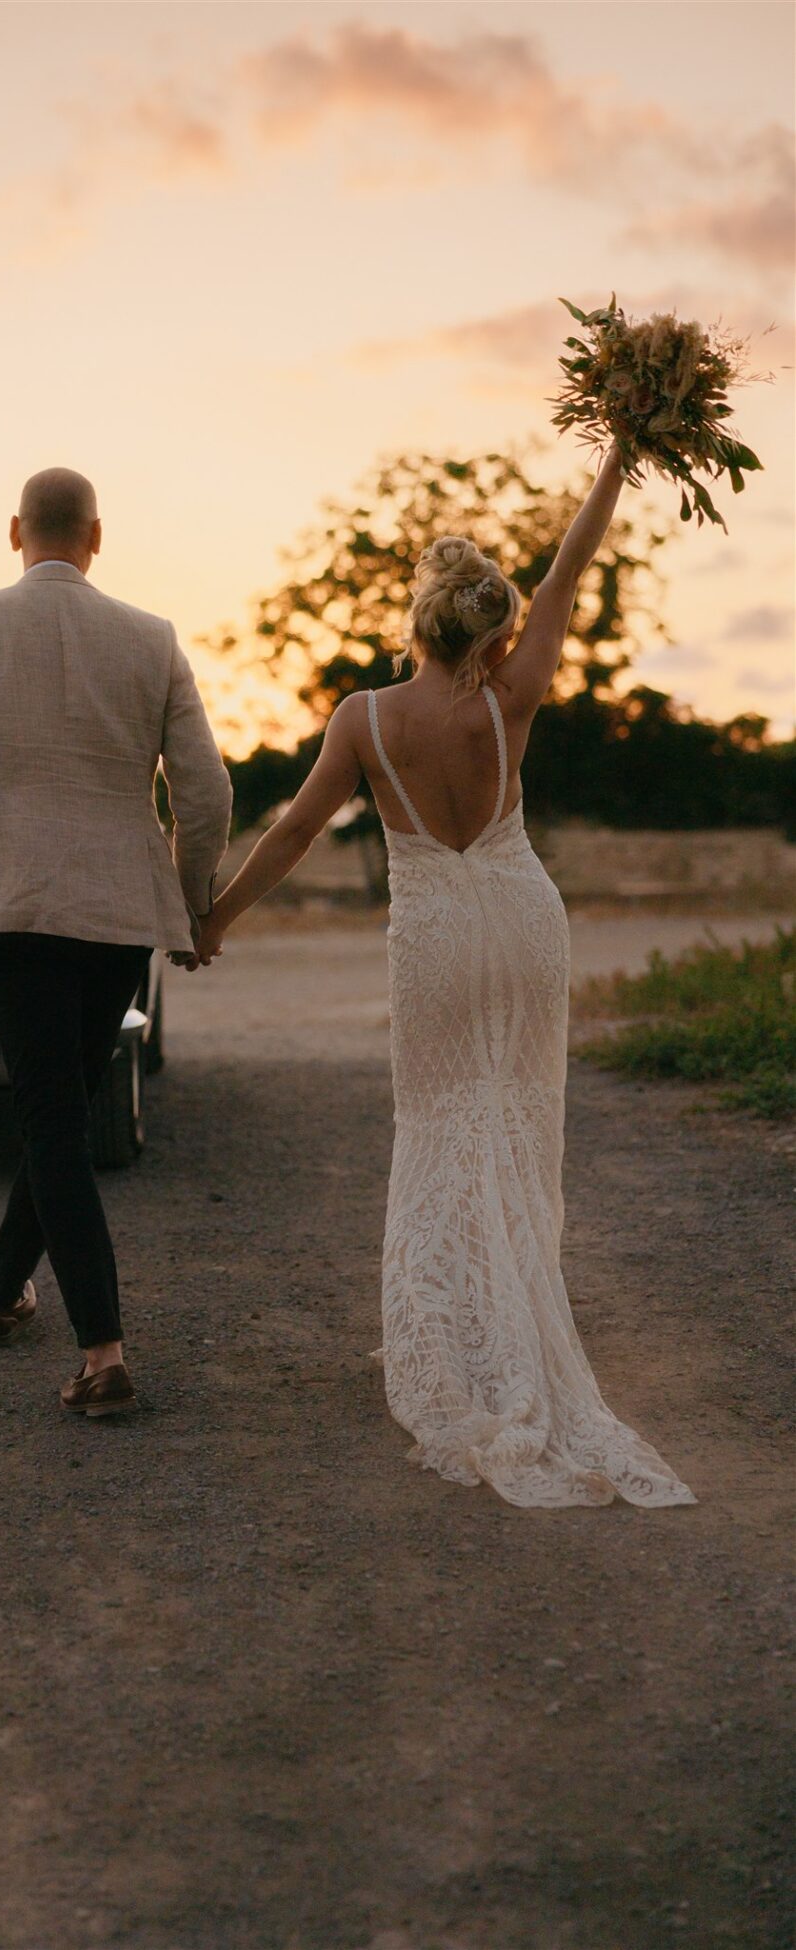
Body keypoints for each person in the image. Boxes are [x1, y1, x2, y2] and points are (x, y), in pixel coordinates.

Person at [193, 446, 695, 1508]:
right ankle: (517, 1327)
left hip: (434, 936)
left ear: (414, 624)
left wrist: (217, 920)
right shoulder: (512, 693)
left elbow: (291, 830)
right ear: (491, 629)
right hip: (521, 919)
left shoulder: (361, 719)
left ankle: (463, 1353)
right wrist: (620, 449)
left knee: (436, 1124)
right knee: (518, 1121)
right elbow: (572, 560)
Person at [0, 467, 232, 1418]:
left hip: (13, 904)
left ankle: (103, 1354)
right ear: (98, 536)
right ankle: (5, 1297)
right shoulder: (151, 638)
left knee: (53, 1117)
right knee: (62, 1105)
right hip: (117, 913)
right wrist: (188, 903)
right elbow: (205, 790)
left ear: (16, 530)